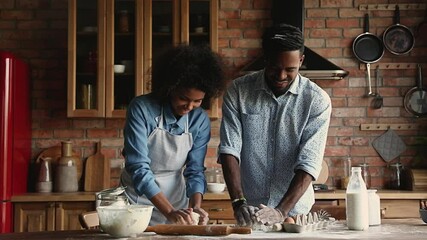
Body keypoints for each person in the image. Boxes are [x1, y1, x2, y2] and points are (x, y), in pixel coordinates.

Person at [218, 23, 332, 227]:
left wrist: (281, 211)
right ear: (265, 60)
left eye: (290, 69)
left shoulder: (316, 100)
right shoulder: (238, 91)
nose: (281, 76)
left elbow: (309, 162)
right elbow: (229, 150)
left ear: (301, 61)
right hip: (251, 212)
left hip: (295, 213)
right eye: (275, 68)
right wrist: (238, 202)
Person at [121, 44, 226, 226]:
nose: (189, 107)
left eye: (197, 101)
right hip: (137, 201)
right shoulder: (142, 108)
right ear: (170, 89)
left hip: (178, 201)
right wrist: (169, 212)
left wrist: (195, 207)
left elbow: (195, 171)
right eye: (183, 98)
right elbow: (138, 167)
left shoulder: (199, 120)